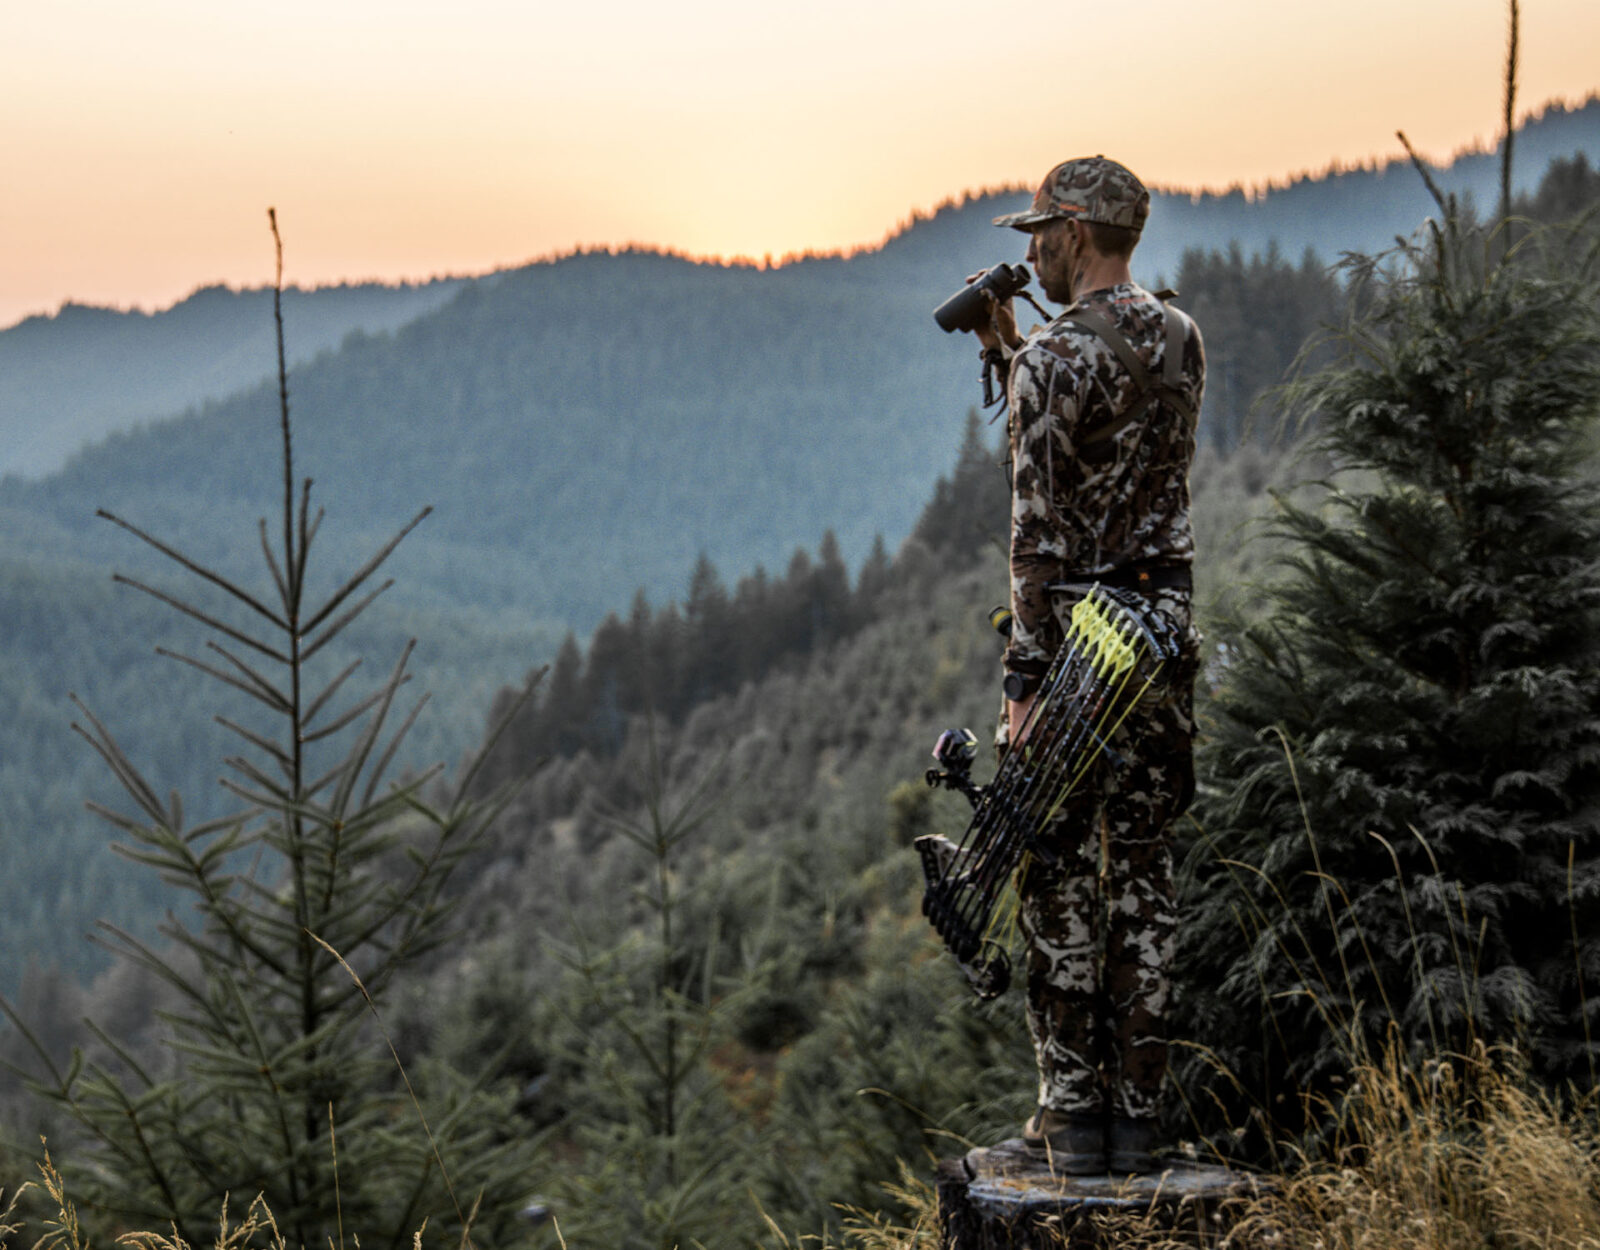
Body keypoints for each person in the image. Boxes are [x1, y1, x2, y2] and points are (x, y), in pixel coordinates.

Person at [973, 156, 1205, 1174]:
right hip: (1158, 634)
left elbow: (1039, 532)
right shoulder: (1181, 338)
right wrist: (1015, 354)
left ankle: (1070, 1115)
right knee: (1144, 866)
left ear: (1075, 231)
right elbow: (1119, 445)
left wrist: (1023, 682)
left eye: (1039, 234)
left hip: (1073, 648)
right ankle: (1139, 1116)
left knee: (1057, 864)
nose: (1029, 252)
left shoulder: (1050, 362)